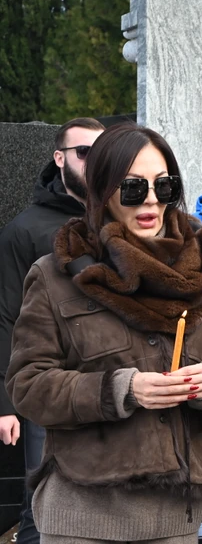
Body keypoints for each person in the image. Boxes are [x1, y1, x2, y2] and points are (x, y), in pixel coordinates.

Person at [5, 123, 202, 543]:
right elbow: (28, 385)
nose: (151, 200)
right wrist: (121, 390)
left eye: (164, 186)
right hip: (82, 515)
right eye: (133, 187)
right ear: (102, 188)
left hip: (176, 518)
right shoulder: (53, 274)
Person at [0, 116, 105, 544]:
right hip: (45, 381)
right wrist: (6, 402)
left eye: (101, 153)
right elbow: (6, 315)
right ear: (59, 158)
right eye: (84, 153)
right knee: (42, 500)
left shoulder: (119, 216)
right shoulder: (24, 229)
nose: (93, 161)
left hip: (108, 379)